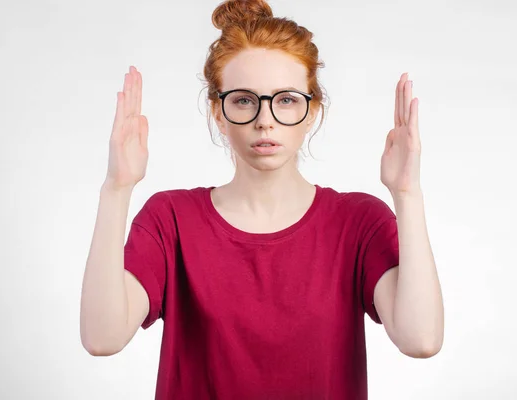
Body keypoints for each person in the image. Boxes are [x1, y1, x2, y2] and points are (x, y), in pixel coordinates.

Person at [79, 0, 444, 398]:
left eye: (286, 99)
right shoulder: (171, 220)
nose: (264, 119)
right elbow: (102, 337)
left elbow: (421, 339)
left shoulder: (358, 222)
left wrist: (407, 195)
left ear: (311, 111)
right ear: (218, 111)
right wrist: (116, 188)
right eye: (243, 100)